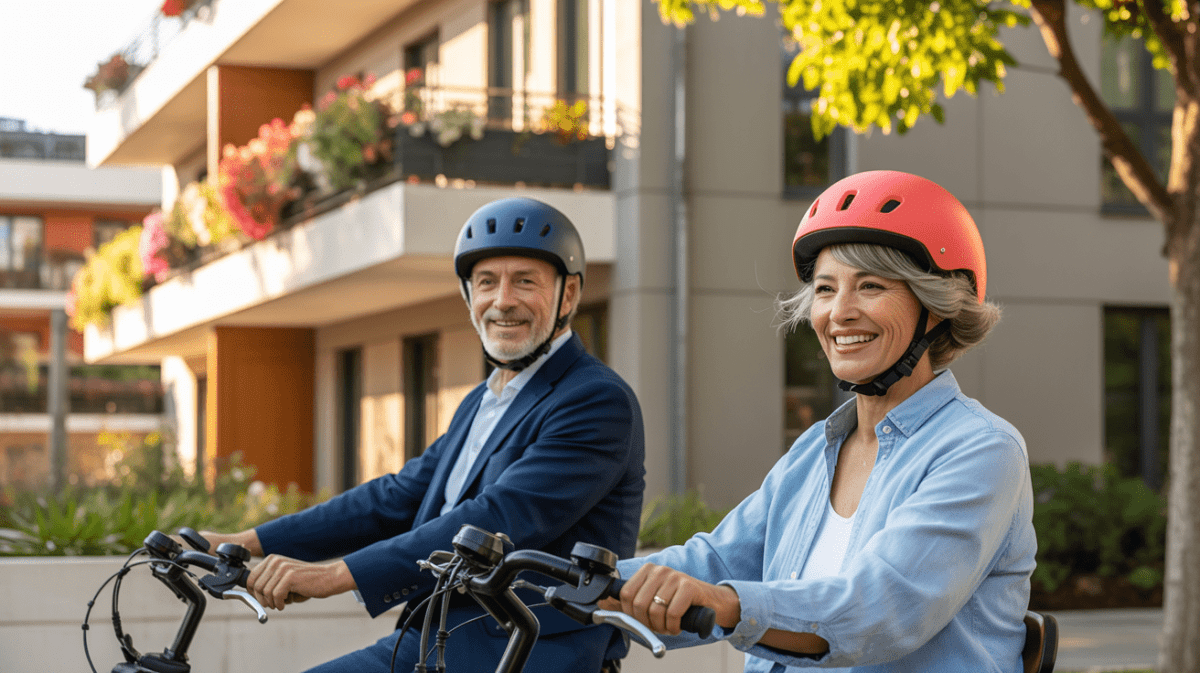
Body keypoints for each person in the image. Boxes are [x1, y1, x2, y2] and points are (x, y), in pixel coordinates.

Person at [607, 170, 1036, 671]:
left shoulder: (982, 450)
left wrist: (724, 603)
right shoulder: (818, 448)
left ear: (936, 306)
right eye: (826, 289)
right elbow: (717, 560)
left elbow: (877, 608)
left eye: (870, 286)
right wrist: (583, 580)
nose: (840, 312)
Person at [203, 197, 646, 673]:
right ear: (469, 296)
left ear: (569, 294)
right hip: (440, 636)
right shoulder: (483, 400)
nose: (502, 301)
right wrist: (246, 541)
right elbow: (396, 497)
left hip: (521, 650)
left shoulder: (594, 399)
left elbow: (498, 517)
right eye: (486, 282)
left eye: (525, 281)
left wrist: (334, 576)